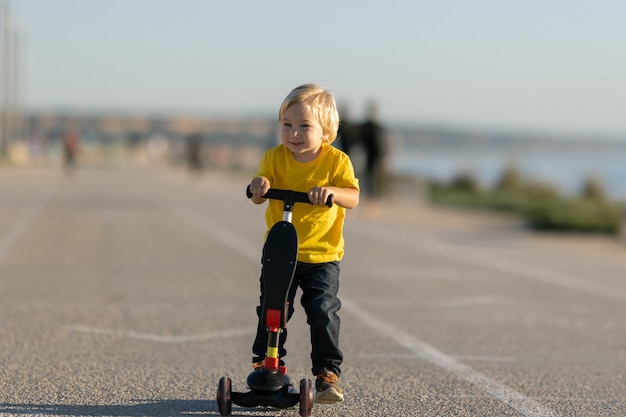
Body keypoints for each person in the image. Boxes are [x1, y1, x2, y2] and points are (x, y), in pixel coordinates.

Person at [248, 83, 360, 404]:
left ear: (325, 131)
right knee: (272, 309)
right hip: (281, 254)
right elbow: (259, 193)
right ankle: (266, 363)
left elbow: (352, 197)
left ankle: (327, 374)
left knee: (323, 311)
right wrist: (260, 185)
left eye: (304, 126)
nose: (294, 133)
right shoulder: (275, 158)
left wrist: (331, 192)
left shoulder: (337, 163)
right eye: (287, 125)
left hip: (321, 255)